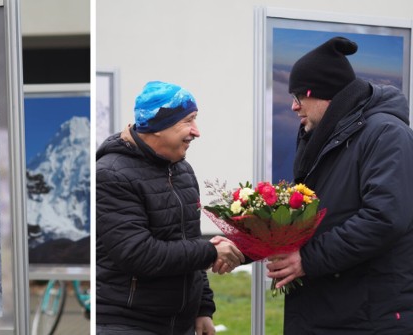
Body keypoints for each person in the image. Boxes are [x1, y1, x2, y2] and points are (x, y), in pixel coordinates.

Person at [266, 36, 413, 333]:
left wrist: (307, 260)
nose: (293, 107)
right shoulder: (326, 135)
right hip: (331, 306)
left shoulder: (386, 134)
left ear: (323, 94)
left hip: (368, 316)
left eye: (298, 96)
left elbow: (384, 218)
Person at [96, 81, 245, 335]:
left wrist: (202, 309)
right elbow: (138, 253)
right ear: (158, 127)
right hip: (126, 324)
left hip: (179, 324)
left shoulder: (183, 171)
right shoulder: (111, 174)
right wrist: (211, 251)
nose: (196, 132)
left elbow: (188, 240)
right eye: (188, 121)